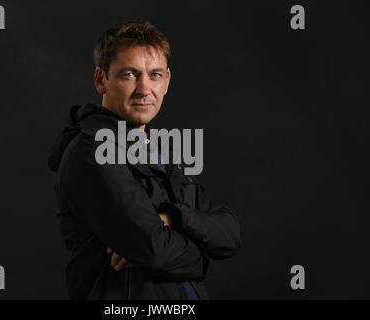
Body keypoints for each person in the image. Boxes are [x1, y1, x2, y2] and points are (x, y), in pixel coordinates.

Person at [47, 20, 241, 299]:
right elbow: (157, 251)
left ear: (167, 82)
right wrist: (203, 254)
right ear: (101, 79)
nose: (144, 89)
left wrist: (173, 217)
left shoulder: (159, 151)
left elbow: (230, 233)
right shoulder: (91, 152)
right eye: (129, 75)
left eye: (155, 75)